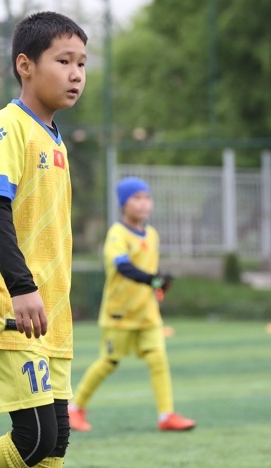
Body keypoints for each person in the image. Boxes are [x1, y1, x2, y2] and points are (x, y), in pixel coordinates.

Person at [0, 11, 87, 468]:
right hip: (14, 307)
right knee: (34, 438)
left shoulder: (54, 141)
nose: (76, 74)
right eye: (63, 61)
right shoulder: (7, 126)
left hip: (51, 314)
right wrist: (21, 287)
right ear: (25, 65)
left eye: (82, 63)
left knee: (54, 445)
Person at [68, 177, 197, 432]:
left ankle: (166, 415)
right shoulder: (117, 233)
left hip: (147, 313)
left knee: (158, 359)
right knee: (108, 362)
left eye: (147, 198)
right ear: (123, 204)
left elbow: (150, 271)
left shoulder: (153, 235)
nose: (143, 203)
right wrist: (152, 279)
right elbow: (123, 266)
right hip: (120, 313)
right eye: (136, 198)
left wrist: (159, 284)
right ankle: (74, 408)